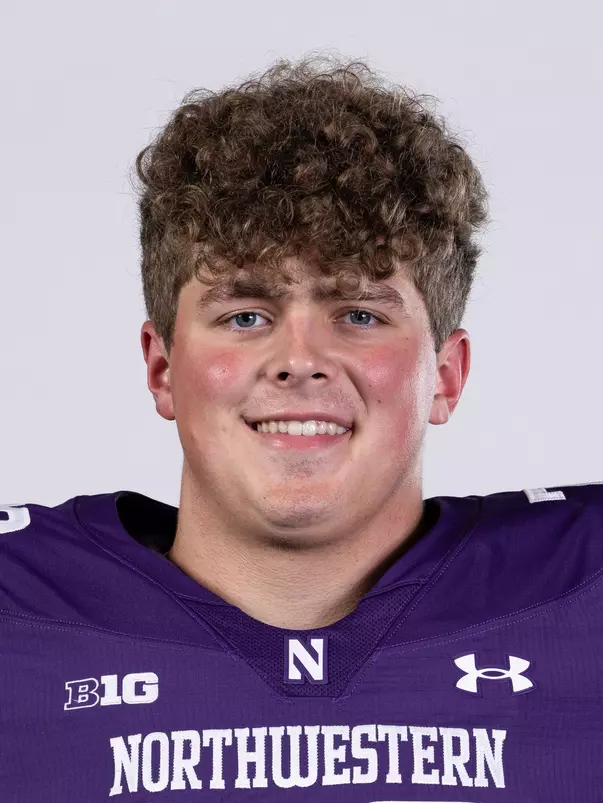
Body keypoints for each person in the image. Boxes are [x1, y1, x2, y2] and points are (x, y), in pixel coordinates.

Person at [0, 53, 600, 802]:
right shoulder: (19, 605)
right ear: (162, 369)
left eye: (358, 313)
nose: (299, 360)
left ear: (445, 376)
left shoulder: (580, 590)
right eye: (245, 315)